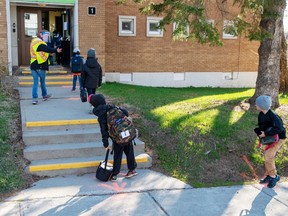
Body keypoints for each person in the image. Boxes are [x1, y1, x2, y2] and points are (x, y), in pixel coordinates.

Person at [88, 94, 137, 181]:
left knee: (117, 155)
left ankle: (114, 174)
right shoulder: (112, 107)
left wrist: (106, 144)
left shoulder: (101, 116)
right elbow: (126, 112)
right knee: (129, 152)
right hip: (126, 133)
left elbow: (104, 132)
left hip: (117, 138)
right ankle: (132, 170)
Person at [254, 95, 286, 188]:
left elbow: (279, 128)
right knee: (267, 156)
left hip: (279, 138)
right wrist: (259, 132)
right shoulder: (261, 114)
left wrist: (266, 132)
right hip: (270, 138)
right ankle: (270, 175)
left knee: (269, 157)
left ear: (262, 105)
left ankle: (273, 177)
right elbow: (262, 126)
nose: (255, 105)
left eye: (257, 104)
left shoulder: (273, 116)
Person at [30, 29, 62, 105]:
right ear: (41, 35)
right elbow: (45, 48)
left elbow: (40, 51)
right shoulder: (39, 42)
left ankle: (34, 99)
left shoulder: (33, 42)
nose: (47, 37)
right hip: (40, 65)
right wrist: (55, 50)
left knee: (35, 83)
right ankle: (44, 96)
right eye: (46, 35)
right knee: (42, 82)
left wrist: (49, 53)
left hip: (33, 65)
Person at [81, 48, 103, 112]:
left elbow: (83, 76)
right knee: (94, 94)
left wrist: (82, 85)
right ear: (94, 55)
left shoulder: (85, 65)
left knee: (90, 95)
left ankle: (92, 107)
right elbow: (100, 75)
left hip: (88, 83)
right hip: (95, 83)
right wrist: (99, 83)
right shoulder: (98, 65)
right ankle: (94, 107)